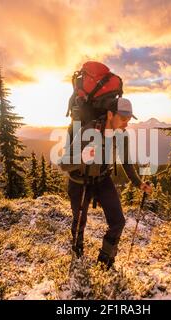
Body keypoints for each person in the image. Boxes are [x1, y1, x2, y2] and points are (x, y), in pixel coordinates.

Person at [60, 97, 152, 269]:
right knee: (80, 221)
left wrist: (139, 184)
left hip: (102, 179)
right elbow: (63, 164)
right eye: (123, 118)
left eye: (129, 119)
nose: (126, 123)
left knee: (118, 222)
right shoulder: (88, 131)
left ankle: (105, 261)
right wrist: (84, 158)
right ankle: (77, 253)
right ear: (110, 114)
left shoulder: (122, 136)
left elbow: (126, 162)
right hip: (80, 181)